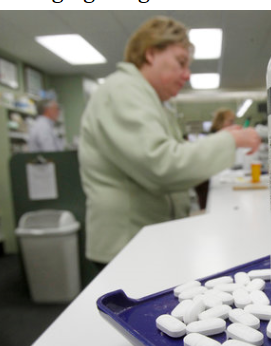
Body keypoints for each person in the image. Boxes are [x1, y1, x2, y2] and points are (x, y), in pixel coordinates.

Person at [78, 16, 261, 267]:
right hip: (127, 247)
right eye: (181, 62)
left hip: (144, 240)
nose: (186, 74)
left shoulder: (151, 100)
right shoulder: (123, 90)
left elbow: (176, 154)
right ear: (151, 53)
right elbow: (163, 165)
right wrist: (229, 140)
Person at [195, 108, 237, 209]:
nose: (233, 124)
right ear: (220, 122)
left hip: (214, 178)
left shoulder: (220, 137)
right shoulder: (212, 138)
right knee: (210, 207)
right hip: (205, 181)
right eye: (230, 121)